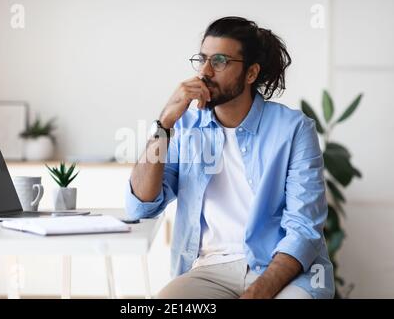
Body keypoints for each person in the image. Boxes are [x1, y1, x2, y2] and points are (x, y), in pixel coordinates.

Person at [125, 16, 334, 299]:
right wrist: (164, 123)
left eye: (220, 61)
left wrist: (257, 293)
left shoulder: (294, 129)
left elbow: (304, 230)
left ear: (250, 74)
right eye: (203, 59)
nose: (205, 72)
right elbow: (141, 206)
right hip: (210, 271)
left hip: (283, 272)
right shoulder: (185, 126)